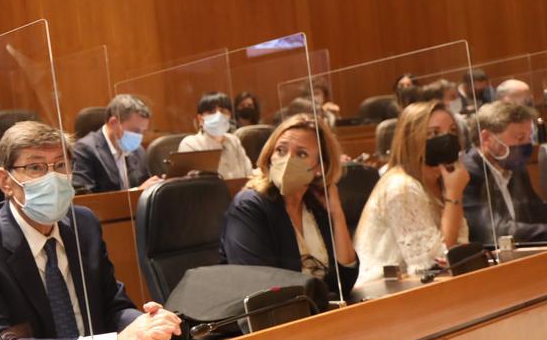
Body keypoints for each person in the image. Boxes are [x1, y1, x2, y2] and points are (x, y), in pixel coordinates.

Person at [0, 121, 181, 340]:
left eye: (60, 166)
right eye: (35, 167)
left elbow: (112, 306)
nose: (52, 177)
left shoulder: (83, 224)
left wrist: (146, 325)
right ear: (5, 181)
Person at [222, 114, 358, 299]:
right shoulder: (249, 207)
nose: (287, 160)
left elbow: (346, 280)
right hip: (279, 321)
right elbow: (260, 292)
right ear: (270, 155)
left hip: (320, 313)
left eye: (301, 154)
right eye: (280, 150)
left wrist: (337, 213)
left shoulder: (315, 204)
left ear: (320, 167)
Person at [354, 102, 471, 282]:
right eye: (433, 133)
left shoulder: (442, 182)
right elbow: (432, 266)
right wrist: (454, 196)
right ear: (411, 140)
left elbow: (458, 248)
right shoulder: (401, 187)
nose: (446, 139)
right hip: (382, 293)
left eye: (452, 131)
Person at [462, 101, 547, 243]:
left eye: (529, 137)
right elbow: (495, 230)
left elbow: (536, 211)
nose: (527, 144)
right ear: (487, 138)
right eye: (520, 138)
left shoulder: (515, 166)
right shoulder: (467, 174)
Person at [71, 94, 160, 193]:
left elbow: (145, 184)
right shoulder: (85, 149)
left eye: (143, 131)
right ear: (113, 122)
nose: (139, 137)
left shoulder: (138, 151)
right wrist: (137, 191)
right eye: (135, 131)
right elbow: (85, 197)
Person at [177, 92, 255, 180]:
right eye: (212, 111)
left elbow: (249, 174)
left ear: (229, 115)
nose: (218, 115)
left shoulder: (234, 141)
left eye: (223, 111)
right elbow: (192, 185)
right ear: (200, 118)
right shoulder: (190, 144)